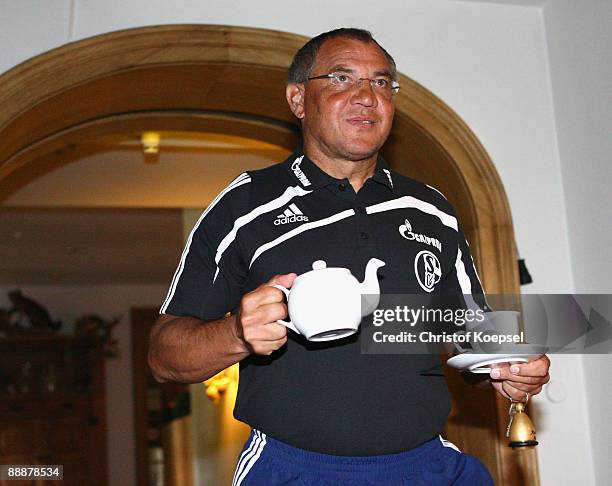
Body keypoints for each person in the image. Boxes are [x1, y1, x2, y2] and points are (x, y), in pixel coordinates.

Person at [149, 28, 550, 485]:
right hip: (295, 469)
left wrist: (512, 364)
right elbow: (164, 356)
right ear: (299, 100)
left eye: (382, 83)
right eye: (342, 78)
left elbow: (471, 329)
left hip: (428, 466)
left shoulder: (431, 209)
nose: (366, 97)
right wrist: (237, 332)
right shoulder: (244, 206)